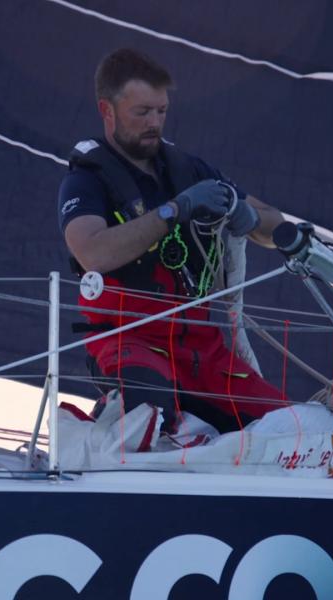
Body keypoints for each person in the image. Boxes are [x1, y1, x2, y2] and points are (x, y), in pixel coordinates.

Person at [58, 48, 287, 435]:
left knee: (290, 427)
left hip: (202, 348)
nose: (155, 123)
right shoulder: (86, 181)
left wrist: (249, 218)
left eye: (161, 111)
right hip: (128, 341)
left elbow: (274, 225)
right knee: (148, 414)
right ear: (107, 110)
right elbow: (91, 250)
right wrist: (173, 212)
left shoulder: (190, 170)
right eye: (142, 112)